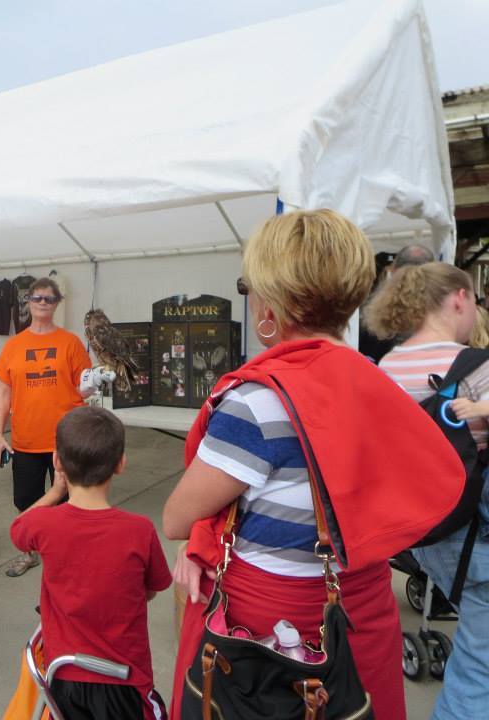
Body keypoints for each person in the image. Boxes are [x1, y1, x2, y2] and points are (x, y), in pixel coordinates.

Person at [162, 210, 407, 720]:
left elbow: (176, 519)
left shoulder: (257, 403)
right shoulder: (384, 385)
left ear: (271, 300)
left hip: (272, 634)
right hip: (361, 617)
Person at [365, 262, 489, 718]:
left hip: (422, 537)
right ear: (459, 297)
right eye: (474, 301)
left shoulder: (385, 367)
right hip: (475, 538)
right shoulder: (479, 367)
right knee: (480, 668)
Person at [10, 406, 172, 719]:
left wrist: (55, 492)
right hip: (124, 678)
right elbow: (152, 589)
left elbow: (19, 529)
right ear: (121, 464)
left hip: (64, 676)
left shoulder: (45, 524)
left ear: (57, 461)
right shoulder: (139, 530)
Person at [0, 276, 95, 577]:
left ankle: (65, 555)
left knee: (68, 500)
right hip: (26, 439)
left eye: (48, 299)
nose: (41, 303)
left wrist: (95, 384)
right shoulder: (14, 346)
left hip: (65, 439)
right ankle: (30, 551)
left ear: (56, 303)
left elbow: (85, 387)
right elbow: (3, 392)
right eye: (36, 297)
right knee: (25, 499)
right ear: (27, 302)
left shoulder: (71, 343)